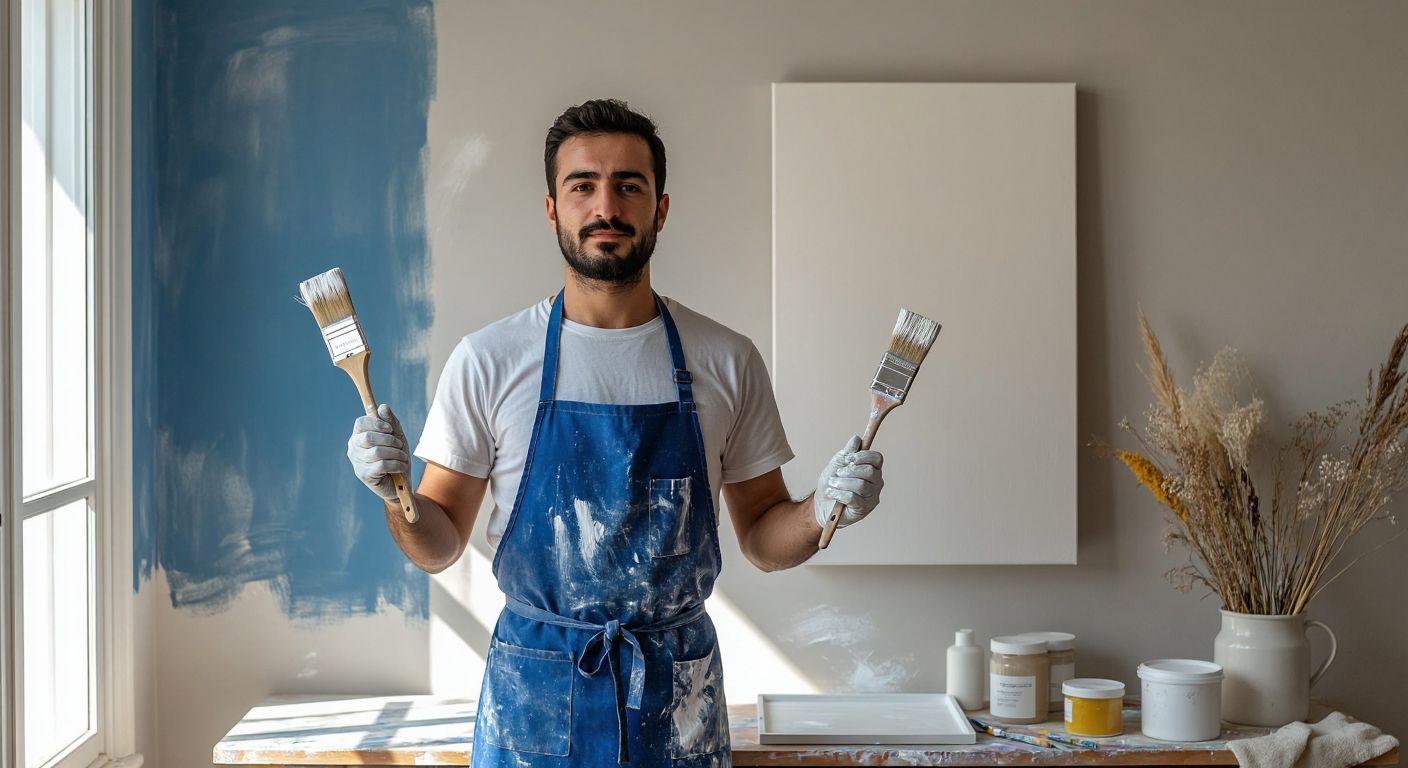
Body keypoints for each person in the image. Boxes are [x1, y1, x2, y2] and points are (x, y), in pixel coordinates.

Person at [347, 99, 885, 767]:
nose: (607, 205)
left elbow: (765, 539)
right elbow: (437, 545)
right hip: (534, 703)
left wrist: (823, 509)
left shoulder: (724, 358)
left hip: (676, 701)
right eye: (583, 185)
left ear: (660, 208)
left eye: (630, 185)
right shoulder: (489, 359)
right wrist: (389, 490)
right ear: (552, 209)